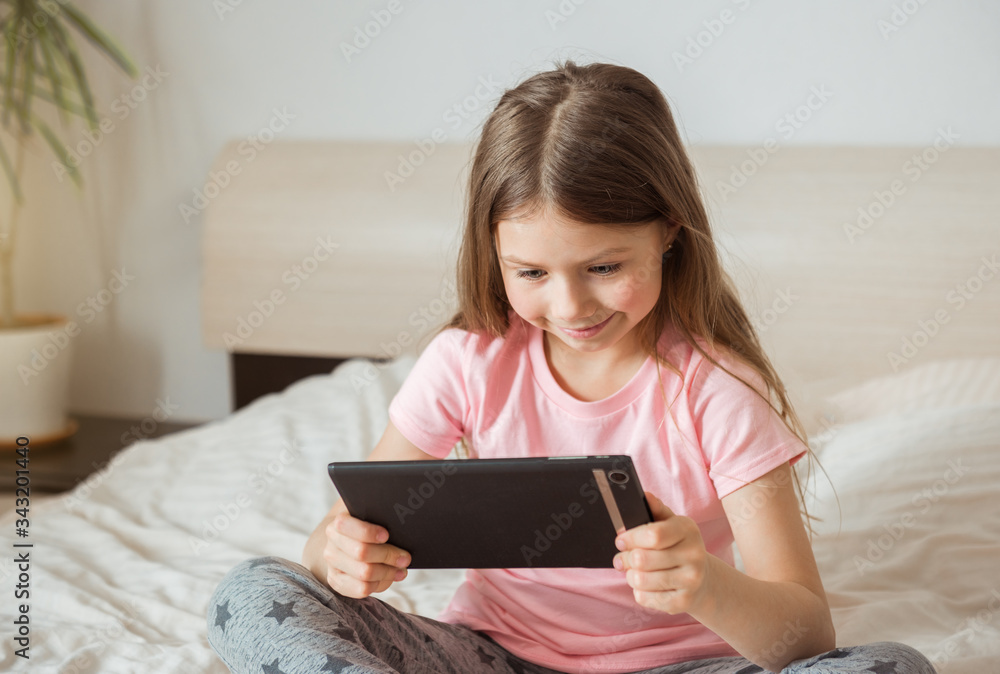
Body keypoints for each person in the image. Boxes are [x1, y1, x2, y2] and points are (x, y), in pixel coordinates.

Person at [206, 60, 937, 674]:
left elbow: (808, 635)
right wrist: (337, 556)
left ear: (669, 231)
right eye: (531, 273)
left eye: (604, 266)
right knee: (253, 592)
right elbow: (333, 536)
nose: (570, 306)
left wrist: (707, 586)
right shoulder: (468, 362)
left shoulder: (717, 394)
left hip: (683, 666)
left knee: (891, 666)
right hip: (488, 656)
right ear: (495, 254)